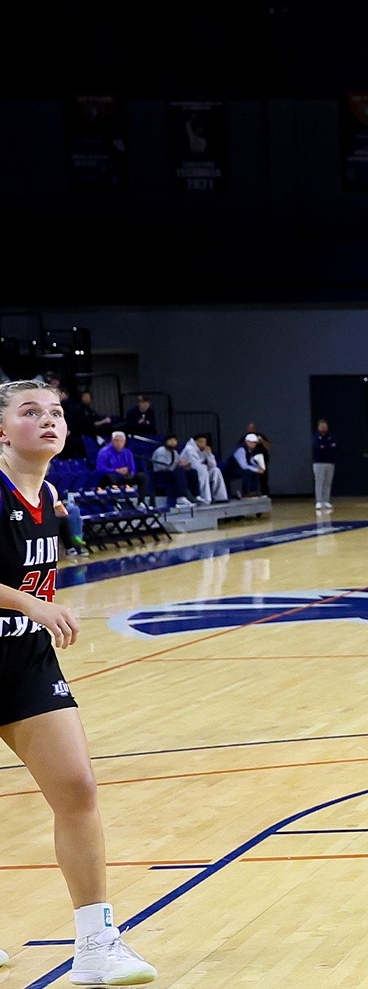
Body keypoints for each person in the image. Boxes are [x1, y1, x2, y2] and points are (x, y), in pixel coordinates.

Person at [0, 379, 159, 984]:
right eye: (30, 412)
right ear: (1, 429)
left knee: (77, 787)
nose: (48, 421)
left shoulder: (47, 495)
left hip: (26, 663)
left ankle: (96, 944)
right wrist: (26, 602)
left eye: (56, 413)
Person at [179, 433, 227, 504]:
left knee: (216, 470)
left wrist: (209, 454)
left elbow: (213, 465)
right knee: (203, 469)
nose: (204, 444)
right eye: (202, 442)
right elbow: (195, 465)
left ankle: (220, 497)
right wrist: (204, 466)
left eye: (205, 442)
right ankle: (205, 498)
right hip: (188, 472)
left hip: (201, 471)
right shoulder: (189, 449)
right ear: (197, 442)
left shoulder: (203, 450)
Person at [312, 420, 337, 510]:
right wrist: (327, 446)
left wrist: (324, 447)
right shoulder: (315, 437)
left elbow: (333, 447)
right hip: (319, 462)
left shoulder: (331, 437)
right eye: (322, 426)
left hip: (330, 462)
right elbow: (317, 447)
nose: (323, 427)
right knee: (319, 482)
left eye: (325, 426)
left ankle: (326, 500)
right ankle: (319, 501)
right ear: (318, 427)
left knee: (328, 482)